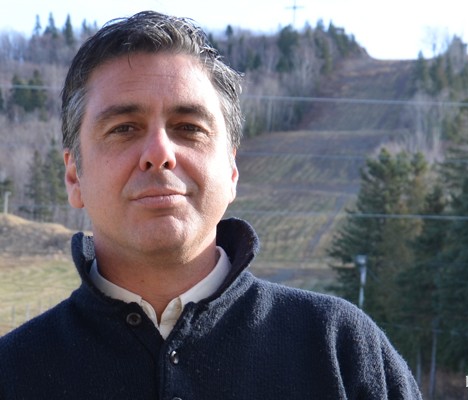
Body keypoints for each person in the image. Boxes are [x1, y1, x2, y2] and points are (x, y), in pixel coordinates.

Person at [0, 11, 421, 399]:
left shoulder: (340, 351)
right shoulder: (12, 372)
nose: (159, 153)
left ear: (232, 169)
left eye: (188, 127)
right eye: (124, 128)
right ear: (74, 175)